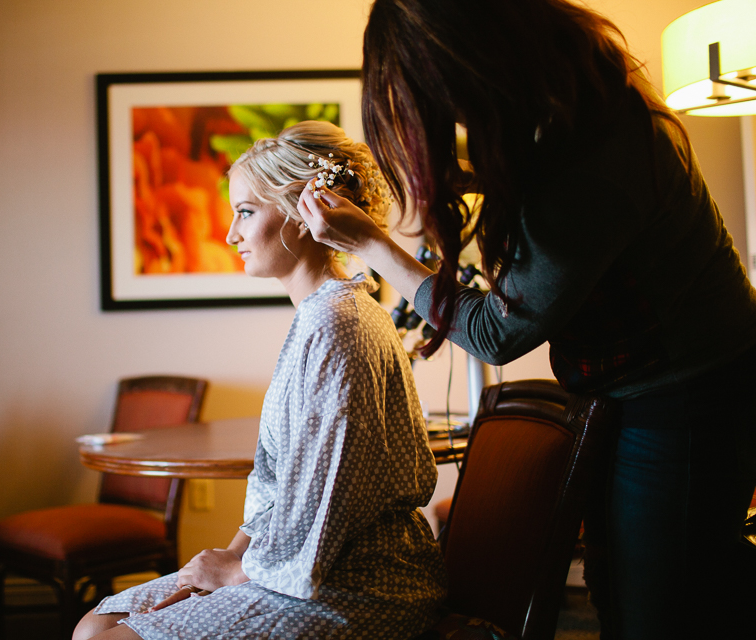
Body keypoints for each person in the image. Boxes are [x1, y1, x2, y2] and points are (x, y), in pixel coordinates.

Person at [296, 1, 756, 638]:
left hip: (686, 396)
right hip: (639, 390)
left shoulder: (593, 154)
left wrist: (375, 244)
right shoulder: (566, 116)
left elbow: (496, 332)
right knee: (626, 590)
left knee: (658, 609)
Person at [72, 120, 448, 640]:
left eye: (245, 212)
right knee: (96, 623)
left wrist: (237, 572)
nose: (231, 234)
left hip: (358, 585)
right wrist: (232, 553)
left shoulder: (339, 325)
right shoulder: (318, 317)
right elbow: (276, 483)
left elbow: (327, 493)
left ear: (303, 212)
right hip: (292, 565)